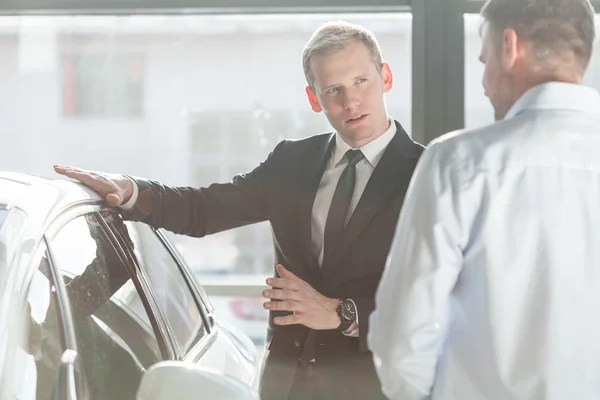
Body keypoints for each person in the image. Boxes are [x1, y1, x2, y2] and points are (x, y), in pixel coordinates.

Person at [55, 21, 424, 400]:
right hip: (286, 386)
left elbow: (437, 301)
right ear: (314, 98)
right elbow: (207, 208)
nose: (351, 101)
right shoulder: (291, 161)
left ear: (386, 76)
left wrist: (341, 313)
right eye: (334, 89)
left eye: (361, 81)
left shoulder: (428, 175)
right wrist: (131, 192)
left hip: (379, 388)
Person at [368, 0, 599, 399]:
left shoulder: (457, 163)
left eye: (484, 60)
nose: (484, 84)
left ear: (510, 47)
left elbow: (406, 330)